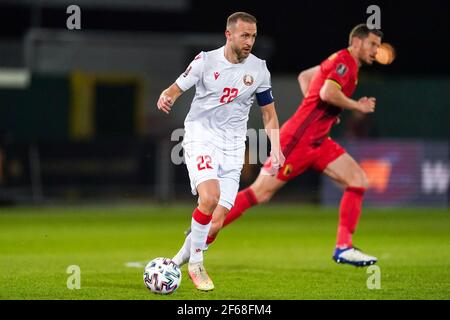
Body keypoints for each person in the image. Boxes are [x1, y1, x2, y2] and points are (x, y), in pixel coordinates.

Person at [184, 23, 383, 267]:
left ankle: (343, 247)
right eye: (372, 44)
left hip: (319, 141)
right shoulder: (345, 62)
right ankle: (203, 232)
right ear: (357, 42)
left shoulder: (341, 60)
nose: (376, 50)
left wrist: (326, 113)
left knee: (358, 180)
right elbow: (326, 93)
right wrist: (356, 106)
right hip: (297, 140)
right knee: (260, 192)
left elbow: (306, 77)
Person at [157, 12, 284, 291]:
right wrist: (166, 96)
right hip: (201, 136)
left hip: (234, 147)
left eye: (253, 36)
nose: (249, 41)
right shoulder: (205, 61)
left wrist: (276, 149)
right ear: (229, 35)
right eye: (244, 35)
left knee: (216, 223)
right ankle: (196, 264)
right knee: (210, 196)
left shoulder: (259, 69)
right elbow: (176, 88)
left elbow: (269, 115)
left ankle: (174, 262)